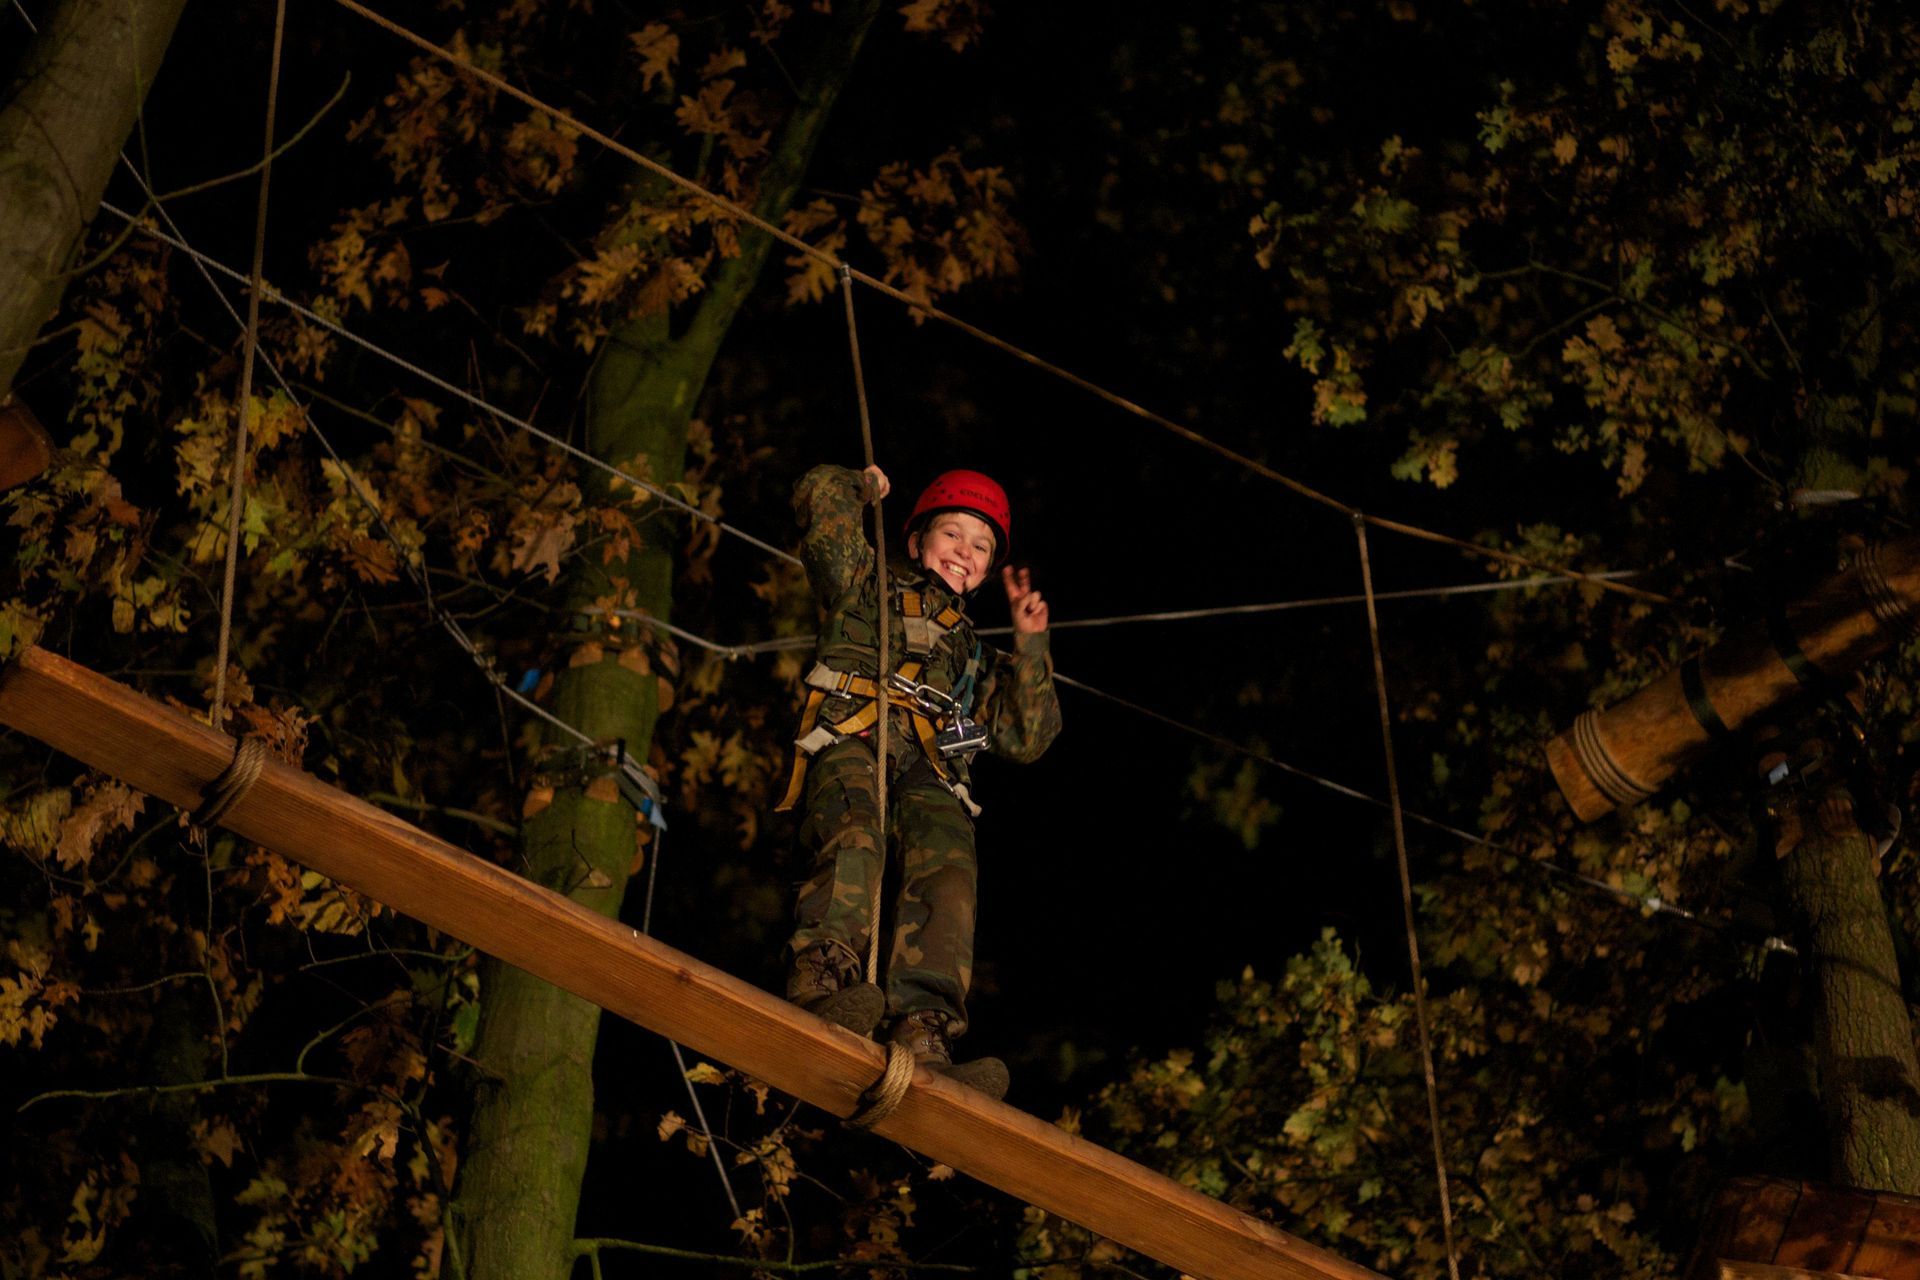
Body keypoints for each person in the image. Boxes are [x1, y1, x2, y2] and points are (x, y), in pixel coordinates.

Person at [776, 463, 1061, 1100]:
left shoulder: (980, 661)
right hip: (856, 737)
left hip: (933, 769)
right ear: (915, 542)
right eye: (952, 534)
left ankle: (923, 1029)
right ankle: (823, 977)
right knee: (855, 836)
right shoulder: (864, 584)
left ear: (989, 569)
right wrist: (860, 486)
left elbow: (1026, 737)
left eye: (980, 545)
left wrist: (1032, 645)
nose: (965, 551)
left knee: (950, 875)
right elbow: (820, 507)